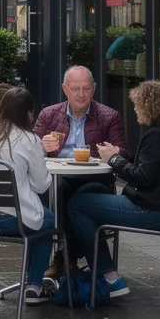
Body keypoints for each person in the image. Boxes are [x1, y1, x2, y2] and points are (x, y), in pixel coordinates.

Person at [68, 80, 160, 298]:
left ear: (149, 106)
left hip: (154, 210)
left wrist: (113, 159)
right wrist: (119, 155)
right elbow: (149, 166)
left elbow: (142, 178)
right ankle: (97, 268)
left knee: (77, 204)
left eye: (137, 105)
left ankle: (108, 276)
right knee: (87, 195)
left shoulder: (158, 136)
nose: (135, 109)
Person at [33, 65, 128, 278]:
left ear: (94, 89)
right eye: (75, 89)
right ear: (65, 89)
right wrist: (41, 145)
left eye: (86, 88)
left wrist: (114, 152)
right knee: (49, 194)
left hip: (94, 180)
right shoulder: (49, 114)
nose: (81, 94)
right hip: (57, 178)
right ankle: (65, 260)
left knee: (72, 198)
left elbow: (124, 153)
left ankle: (64, 257)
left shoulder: (109, 116)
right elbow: (29, 150)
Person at [0, 87, 56, 306]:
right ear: (26, 113)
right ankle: (34, 286)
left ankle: (31, 281)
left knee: (39, 218)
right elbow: (41, 185)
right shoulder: (30, 139)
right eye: (32, 112)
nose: (33, 117)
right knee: (48, 221)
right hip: (9, 219)